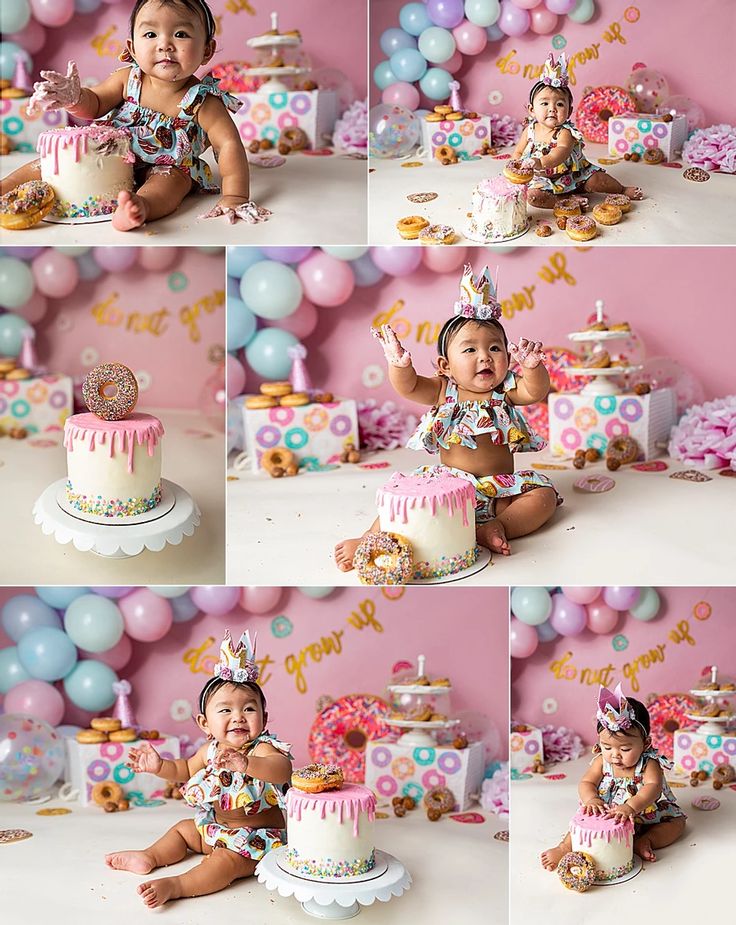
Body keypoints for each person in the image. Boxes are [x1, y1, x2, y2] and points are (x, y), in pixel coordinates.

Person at [335, 264, 561, 568]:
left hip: (501, 489)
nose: (485, 356)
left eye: (495, 348)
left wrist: (534, 368)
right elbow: (410, 386)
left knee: (543, 497)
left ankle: (498, 526)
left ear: (508, 358)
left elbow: (535, 392)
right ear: (445, 365)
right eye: (469, 350)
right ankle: (369, 538)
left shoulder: (506, 390)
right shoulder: (443, 390)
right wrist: (399, 365)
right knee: (408, 503)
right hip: (450, 490)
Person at [1, 0, 269, 230]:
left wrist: (235, 195)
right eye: (151, 35)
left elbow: (228, 145)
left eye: (181, 34)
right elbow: (94, 104)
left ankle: (138, 208)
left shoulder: (203, 101)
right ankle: (5, 187)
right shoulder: (127, 79)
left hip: (168, 167)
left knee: (170, 184)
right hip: (111, 157)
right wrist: (76, 98)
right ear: (131, 47)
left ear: (207, 50)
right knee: (47, 164)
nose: (165, 45)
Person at [104, 630, 292, 908]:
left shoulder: (261, 749)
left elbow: (282, 769)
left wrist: (248, 764)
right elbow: (183, 769)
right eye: (225, 710)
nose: (238, 717)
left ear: (263, 718)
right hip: (216, 828)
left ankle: (177, 885)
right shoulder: (210, 750)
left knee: (224, 863)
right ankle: (150, 856)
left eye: (249, 709)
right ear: (205, 723)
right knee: (183, 830)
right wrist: (159, 767)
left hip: (253, 841)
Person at [541, 683, 686, 871]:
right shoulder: (602, 761)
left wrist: (631, 807)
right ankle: (565, 847)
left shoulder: (648, 763)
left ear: (646, 743)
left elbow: (653, 786)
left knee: (677, 822)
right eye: (607, 747)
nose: (615, 755)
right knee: (583, 822)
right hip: (607, 813)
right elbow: (587, 782)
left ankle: (645, 841)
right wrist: (591, 799)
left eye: (625, 749)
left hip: (644, 814)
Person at [511, 52, 643, 208]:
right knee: (533, 197)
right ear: (532, 110)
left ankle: (621, 189)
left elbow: (558, 154)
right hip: (542, 180)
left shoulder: (564, 133)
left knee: (599, 181)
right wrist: (516, 165)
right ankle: (565, 201)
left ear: (569, 110)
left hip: (575, 176)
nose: (552, 109)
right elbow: (518, 152)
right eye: (545, 104)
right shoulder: (530, 130)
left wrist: (539, 162)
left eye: (559, 104)